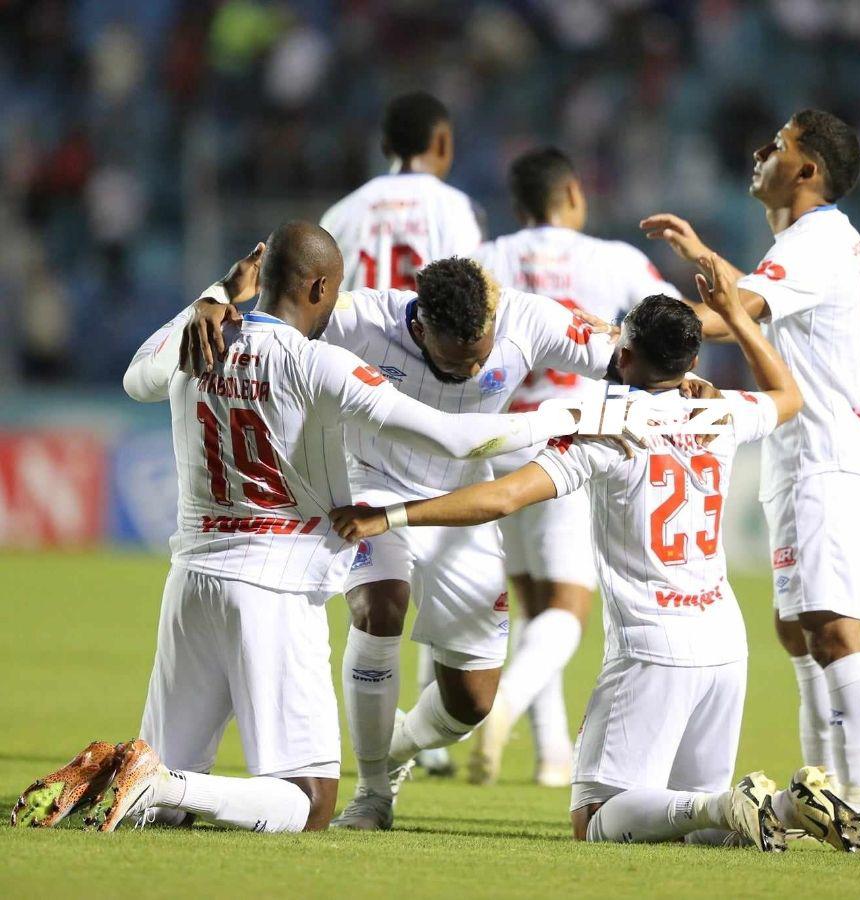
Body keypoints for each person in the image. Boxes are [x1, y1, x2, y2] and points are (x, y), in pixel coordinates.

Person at [8, 223, 577, 834]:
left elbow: (133, 379)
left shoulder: (195, 338)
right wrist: (569, 415)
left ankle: (137, 777)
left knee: (165, 816)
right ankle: (158, 780)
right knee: (309, 804)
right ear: (319, 286)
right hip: (275, 586)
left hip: (191, 581)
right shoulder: (320, 363)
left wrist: (215, 294)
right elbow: (456, 438)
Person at [329, 259, 860, 853]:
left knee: (596, 818)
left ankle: (728, 801)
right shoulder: (723, 412)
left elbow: (505, 495)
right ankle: (785, 806)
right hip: (724, 643)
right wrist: (739, 316)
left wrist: (391, 516)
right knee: (701, 834)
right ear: (691, 362)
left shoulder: (606, 432)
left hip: (651, 646)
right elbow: (787, 395)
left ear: (627, 359)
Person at [182, 254, 626, 831]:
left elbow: (625, 358)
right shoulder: (359, 319)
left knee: (471, 701)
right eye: (455, 360)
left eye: (481, 356)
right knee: (378, 607)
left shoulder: (530, 319)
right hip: (369, 491)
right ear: (420, 327)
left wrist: (679, 378)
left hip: (461, 508)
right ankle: (371, 794)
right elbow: (275, 299)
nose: (471, 371)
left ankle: (395, 745)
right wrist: (215, 297)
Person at [640, 109, 860, 843]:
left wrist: (625, 333)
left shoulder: (819, 242)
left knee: (833, 629)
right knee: (797, 628)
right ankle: (824, 793)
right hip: (801, 456)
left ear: (808, 171)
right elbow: (753, 299)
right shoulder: (808, 247)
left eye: (778, 146)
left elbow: (728, 318)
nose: (761, 151)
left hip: (826, 456)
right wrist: (708, 255)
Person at [470, 146, 682, 787]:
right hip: (578, 435)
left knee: (535, 603)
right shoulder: (613, 260)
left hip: (504, 436)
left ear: (519, 205)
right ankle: (502, 705)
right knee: (567, 608)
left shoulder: (492, 259)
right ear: (572, 195)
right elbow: (677, 326)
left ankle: (552, 753)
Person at [321, 89, 482, 778]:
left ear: (385, 144)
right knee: (438, 548)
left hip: (356, 404)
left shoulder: (344, 212)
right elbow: (474, 295)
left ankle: (369, 746)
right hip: (434, 395)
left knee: (378, 576)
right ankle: (421, 732)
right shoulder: (453, 208)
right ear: (440, 144)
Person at [320, 90, 481, 292]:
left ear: (385, 146)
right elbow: (473, 299)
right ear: (442, 142)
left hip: (358, 325)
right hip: (427, 324)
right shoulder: (463, 212)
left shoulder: (338, 216)